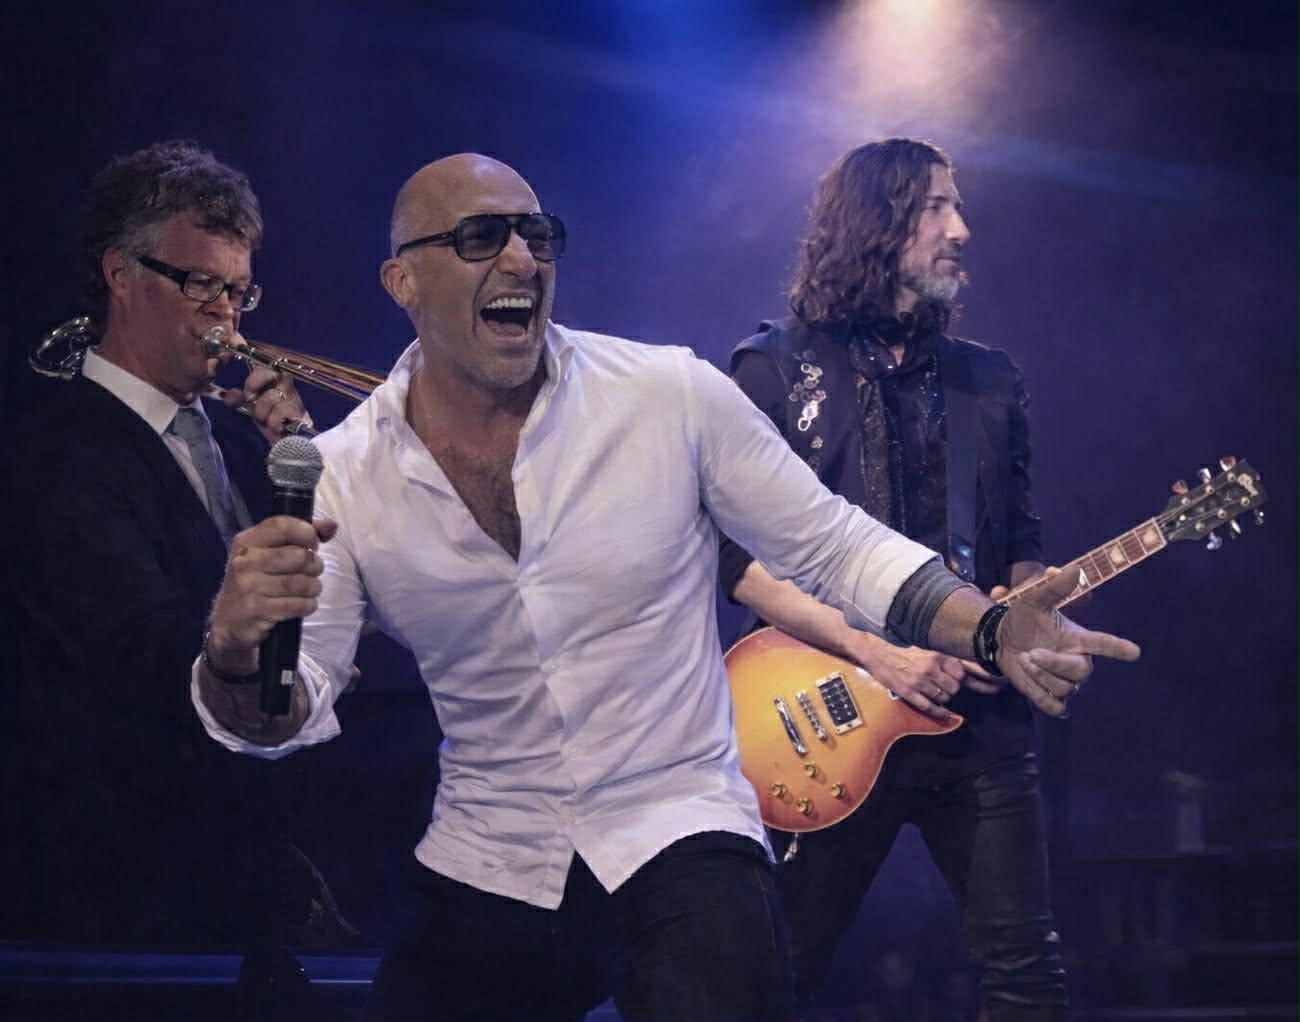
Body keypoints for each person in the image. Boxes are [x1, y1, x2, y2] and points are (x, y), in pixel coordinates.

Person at [190, 152, 1137, 1022]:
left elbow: (837, 545)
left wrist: (989, 628)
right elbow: (285, 712)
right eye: (481, 237)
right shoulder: (344, 475)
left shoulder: (667, 394)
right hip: (491, 851)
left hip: (679, 830)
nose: (521, 259)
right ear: (402, 280)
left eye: (537, 235)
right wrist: (233, 654)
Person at [718, 138, 1078, 1020]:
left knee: (1026, 977)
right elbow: (738, 563)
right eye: (934, 208)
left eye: (958, 205)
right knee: (775, 977)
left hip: (978, 725)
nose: (961, 229)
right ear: (874, 224)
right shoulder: (772, 369)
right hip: (820, 719)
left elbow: (1020, 542)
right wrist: (878, 654)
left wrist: (1022, 617)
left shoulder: (990, 379)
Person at [1, 140, 347, 955]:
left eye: (237, 291)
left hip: (244, 863)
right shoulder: (56, 452)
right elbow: (136, 656)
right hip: (124, 894)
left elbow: (334, 590)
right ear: (121, 275)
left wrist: (303, 461)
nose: (225, 316)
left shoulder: (244, 439)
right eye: (199, 284)